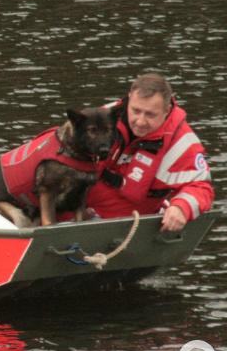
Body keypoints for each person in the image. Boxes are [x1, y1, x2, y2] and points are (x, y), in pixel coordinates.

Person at [87, 73, 214, 232]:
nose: (140, 121)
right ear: (129, 98)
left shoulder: (183, 143)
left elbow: (201, 187)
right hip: (80, 212)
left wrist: (181, 207)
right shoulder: (100, 119)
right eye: (136, 110)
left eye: (150, 114)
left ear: (167, 110)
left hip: (128, 226)